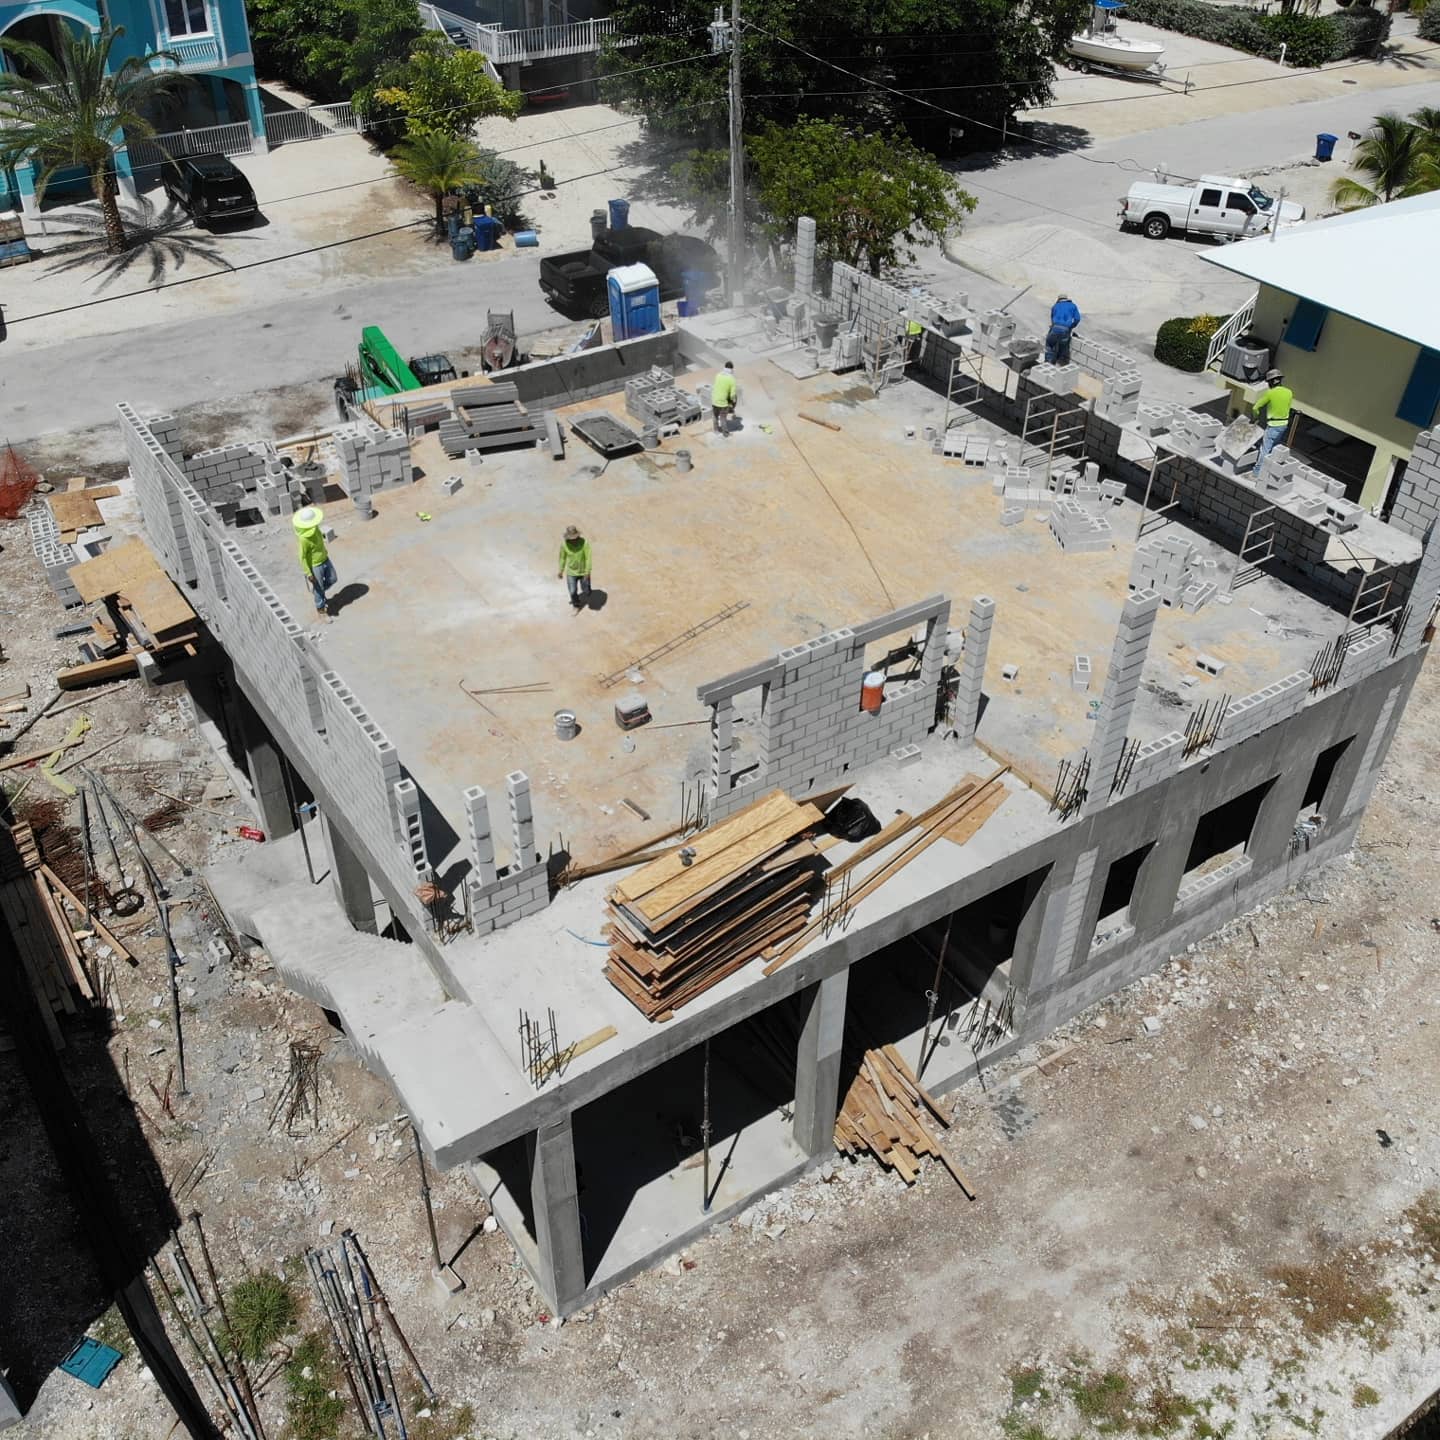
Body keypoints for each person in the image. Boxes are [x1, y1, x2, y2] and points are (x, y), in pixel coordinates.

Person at [293, 506, 336, 618]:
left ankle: (318, 592)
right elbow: (302, 557)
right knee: (319, 587)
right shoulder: (304, 539)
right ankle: (321, 608)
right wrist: (309, 573)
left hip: (325, 559)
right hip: (315, 565)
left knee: (333, 579)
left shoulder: (316, 528)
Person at [1252, 368, 1294, 474]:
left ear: (1272, 382)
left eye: (1268, 382)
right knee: (1274, 449)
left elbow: (1255, 408)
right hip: (1283, 425)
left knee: (1264, 450)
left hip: (1273, 425)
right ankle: (1269, 470)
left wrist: (1255, 417)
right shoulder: (1289, 392)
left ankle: (1257, 472)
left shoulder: (1270, 393)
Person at [557, 524, 592, 610]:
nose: (573, 540)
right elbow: (562, 558)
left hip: (583, 571)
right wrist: (560, 570)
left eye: (574, 538)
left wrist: (587, 571)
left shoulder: (584, 543)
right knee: (572, 591)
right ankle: (576, 605)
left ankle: (587, 588)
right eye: (570, 539)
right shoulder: (564, 545)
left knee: (586, 590)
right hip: (571, 572)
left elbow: (588, 557)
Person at [1045, 294, 1082, 365]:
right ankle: (1061, 363)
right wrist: (1070, 327)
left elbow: (1052, 319)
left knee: (1050, 344)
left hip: (1055, 329)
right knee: (1063, 346)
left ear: (1059, 300)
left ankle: (1048, 363)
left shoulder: (1055, 306)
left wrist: (1054, 327)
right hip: (1066, 330)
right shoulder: (1073, 306)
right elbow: (1077, 319)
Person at [711, 360, 738, 436]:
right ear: (732, 369)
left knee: (715, 416)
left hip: (714, 400)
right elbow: (732, 395)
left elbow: (717, 387)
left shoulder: (718, 375)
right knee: (723, 418)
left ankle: (716, 430)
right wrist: (732, 403)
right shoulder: (732, 379)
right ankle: (725, 434)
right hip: (723, 403)